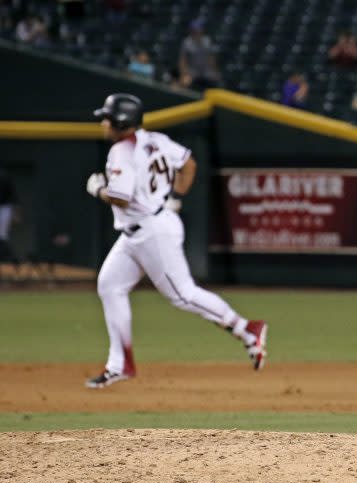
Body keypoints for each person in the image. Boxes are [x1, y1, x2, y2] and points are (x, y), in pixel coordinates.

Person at [84, 94, 267, 388]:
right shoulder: (155, 139)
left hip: (151, 232)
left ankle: (248, 329)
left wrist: (98, 190)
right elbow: (189, 164)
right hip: (142, 228)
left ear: (120, 122)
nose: (103, 123)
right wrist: (173, 195)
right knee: (110, 285)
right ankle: (120, 364)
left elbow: (120, 195)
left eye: (107, 118)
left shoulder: (121, 151)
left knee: (182, 295)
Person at [179, 19, 221, 91]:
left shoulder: (207, 41)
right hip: (192, 72)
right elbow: (183, 61)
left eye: (198, 30)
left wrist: (215, 71)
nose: (197, 32)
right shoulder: (187, 43)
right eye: (195, 30)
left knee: (215, 83)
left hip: (206, 72)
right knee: (185, 82)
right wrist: (184, 74)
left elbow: (211, 59)